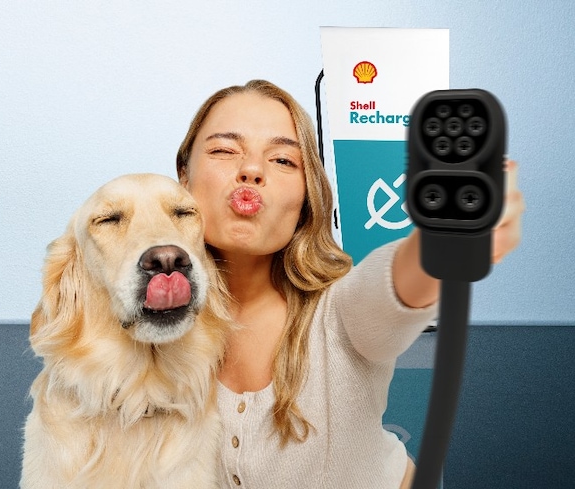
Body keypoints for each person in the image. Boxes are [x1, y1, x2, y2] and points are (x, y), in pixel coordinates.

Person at [175, 80, 524, 488]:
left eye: (284, 160)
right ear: (184, 176)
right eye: (223, 150)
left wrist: (442, 241)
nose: (252, 170)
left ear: (307, 195)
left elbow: (392, 287)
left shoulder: (340, 310)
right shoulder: (152, 325)